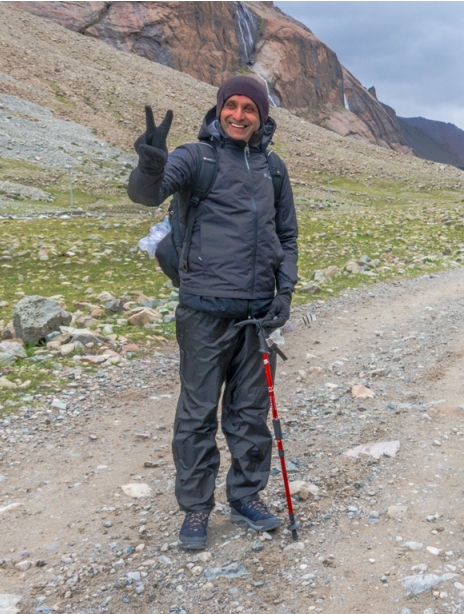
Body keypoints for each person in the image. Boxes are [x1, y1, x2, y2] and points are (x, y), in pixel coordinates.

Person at [128, 75, 298, 550]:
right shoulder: (193, 156)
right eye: (232, 106)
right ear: (220, 109)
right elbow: (147, 194)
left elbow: (287, 237)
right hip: (203, 312)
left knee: (249, 415)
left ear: (262, 116)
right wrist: (149, 165)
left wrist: (284, 292)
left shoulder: (274, 168)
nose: (239, 115)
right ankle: (197, 509)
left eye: (250, 108)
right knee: (197, 415)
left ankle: (246, 497)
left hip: (258, 317)